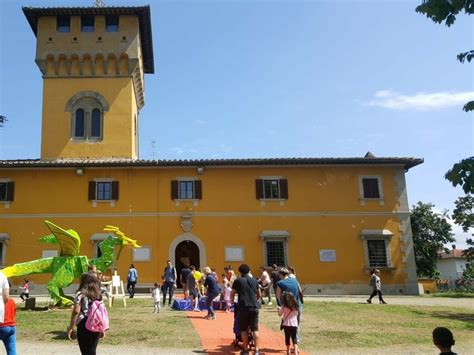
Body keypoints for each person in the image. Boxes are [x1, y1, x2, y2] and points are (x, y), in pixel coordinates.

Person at [67, 273, 104, 355]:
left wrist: (71, 327)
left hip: (83, 323)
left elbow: (76, 311)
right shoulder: (98, 294)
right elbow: (101, 311)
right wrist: (102, 328)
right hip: (95, 323)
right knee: (92, 350)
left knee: (85, 352)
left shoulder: (80, 294)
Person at [230, 264, 262, 355]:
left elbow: (232, 293)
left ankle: (245, 349)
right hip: (254, 306)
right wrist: (256, 299)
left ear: (240, 272)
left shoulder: (238, 280)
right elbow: (259, 293)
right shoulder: (254, 280)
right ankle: (256, 350)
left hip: (243, 306)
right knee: (255, 329)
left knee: (243, 329)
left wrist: (232, 301)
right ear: (249, 270)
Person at [276, 268, 303, 342]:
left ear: (281, 274)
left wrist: (280, 306)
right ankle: (296, 341)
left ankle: (291, 341)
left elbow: (278, 295)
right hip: (297, 305)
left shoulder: (280, 283)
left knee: (287, 324)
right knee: (296, 323)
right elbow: (300, 291)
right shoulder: (295, 281)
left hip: (287, 306)